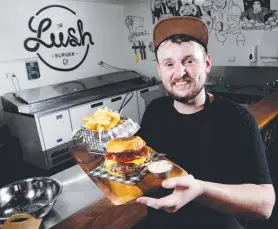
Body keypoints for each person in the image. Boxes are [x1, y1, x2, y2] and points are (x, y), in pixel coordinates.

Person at [135, 16, 275, 229]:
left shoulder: (237, 120)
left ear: (207, 63)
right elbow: (141, 165)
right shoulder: (155, 110)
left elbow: (265, 204)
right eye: (169, 64)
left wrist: (200, 190)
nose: (180, 73)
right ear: (159, 70)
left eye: (189, 61)